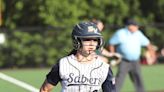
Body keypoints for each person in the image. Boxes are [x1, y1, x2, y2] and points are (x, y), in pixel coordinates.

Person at [40, 21, 116, 92]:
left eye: (95, 40)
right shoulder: (63, 64)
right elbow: (44, 89)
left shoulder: (103, 67)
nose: (92, 43)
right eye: (87, 39)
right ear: (77, 41)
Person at [108, 18, 155, 92]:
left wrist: (153, 56)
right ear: (129, 26)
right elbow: (111, 43)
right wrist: (113, 55)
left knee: (138, 77)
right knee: (120, 78)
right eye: (135, 25)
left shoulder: (138, 33)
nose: (137, 27)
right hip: (124, 60)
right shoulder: (121, 33)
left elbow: (148, 44)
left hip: (135, 61)